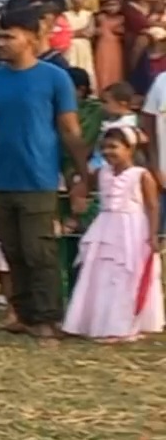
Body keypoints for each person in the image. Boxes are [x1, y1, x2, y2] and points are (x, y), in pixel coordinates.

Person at [0, 6, 93, 343]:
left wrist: (82, 177)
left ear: (31, 38)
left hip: (39, 179)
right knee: (13, 251)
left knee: (38, 251)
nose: (0, 42)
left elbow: (70, 131)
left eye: (9, 36)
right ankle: (25, 314)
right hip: (1, 179)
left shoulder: (55, 78)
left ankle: (48, 318)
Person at [62, 126, 162, 341]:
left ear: (129, 148)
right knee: (101, 272)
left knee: (125, 274)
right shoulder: (102, 173)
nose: (108, 152)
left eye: (114, 147)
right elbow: (83, 187)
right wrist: (77, 196)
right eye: (104, 148)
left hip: (132, 228)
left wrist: (153, 235)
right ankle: (97, 321)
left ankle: (122, 325)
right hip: (105, 226)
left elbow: (153, 207)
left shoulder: (141, 175)